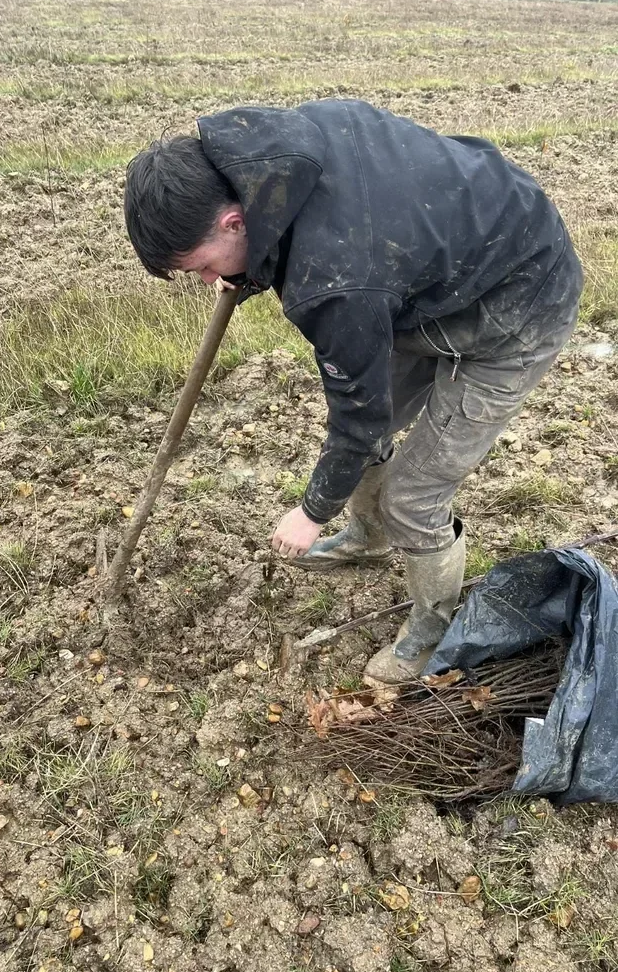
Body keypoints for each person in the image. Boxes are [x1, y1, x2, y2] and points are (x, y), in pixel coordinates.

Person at [123, 98, 583, 683]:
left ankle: (432, 629)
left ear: (233, 221)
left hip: (522, 300)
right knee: (365, 430)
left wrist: (312, 512)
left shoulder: (334, 282)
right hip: (438, 274)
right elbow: (360, 398)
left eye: (202, 267)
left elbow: (359, 414)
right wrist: (250, 269)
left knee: (413, 495)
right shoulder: (272, 155)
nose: (210, 282)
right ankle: (369, 539)